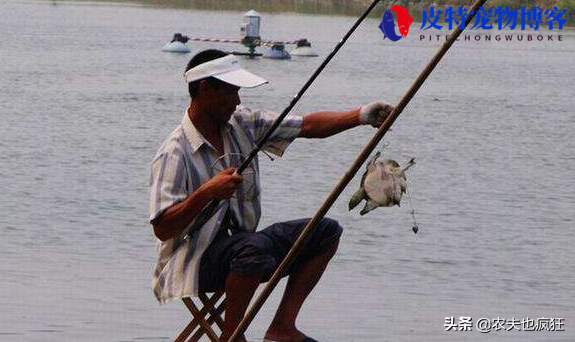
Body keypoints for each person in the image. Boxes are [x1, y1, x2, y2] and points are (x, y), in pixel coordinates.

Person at [149, 49, 393, 342]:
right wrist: (205, 193)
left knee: (325, 231)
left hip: (246, 250)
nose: (238, 101)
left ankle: (282, 327)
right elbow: (163, 228)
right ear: (205, 89)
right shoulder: (174, 152)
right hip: (193, 261)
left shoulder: (243, 123)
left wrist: (361, 116)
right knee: (253, 248)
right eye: (231, 92)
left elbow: (308, 126)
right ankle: (232, 337)